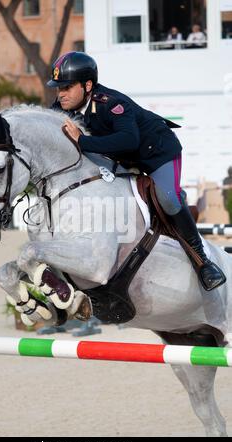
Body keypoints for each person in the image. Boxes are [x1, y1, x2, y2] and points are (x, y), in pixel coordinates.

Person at [47, 51, 226, 291]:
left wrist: (83, 142)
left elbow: (129, 140)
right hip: (122, 159)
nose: (61, 94)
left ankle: (202, 262)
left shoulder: (111, 103)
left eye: (67, 87)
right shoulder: (62, 106)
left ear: (88, 85)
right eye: (58, 88)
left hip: (157, 153)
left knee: (169, 199)